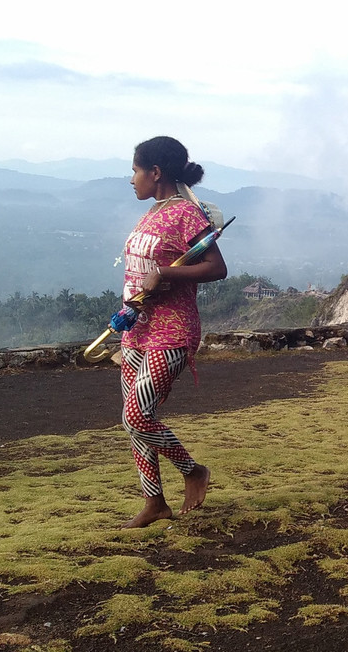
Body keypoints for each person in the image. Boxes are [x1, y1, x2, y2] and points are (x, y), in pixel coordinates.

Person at [119, 136, 228, 529]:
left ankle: (192, 470)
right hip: (137, 330)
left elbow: (217, 267)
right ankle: (154, 502)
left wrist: (165, 273)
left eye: (135, 170)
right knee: (135, 419)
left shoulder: (186, 214)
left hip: (172, 331)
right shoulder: (151, 212)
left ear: (156, 173)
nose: (131, 179)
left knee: (136, 415)